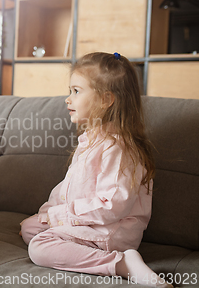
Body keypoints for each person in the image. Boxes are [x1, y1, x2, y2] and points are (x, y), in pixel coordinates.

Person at [20, 52, 172, 288]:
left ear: (105, 99)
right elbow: (69, 188)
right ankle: (72, 245)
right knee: (29, 228)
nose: (67, 99)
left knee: (39, 247)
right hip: (88, 222)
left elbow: (112, 206)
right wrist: (51, 211)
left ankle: (123, 263)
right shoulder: (91, 140)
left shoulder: (118, 148)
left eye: (76, 91)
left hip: (110, 231)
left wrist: (61, 216)